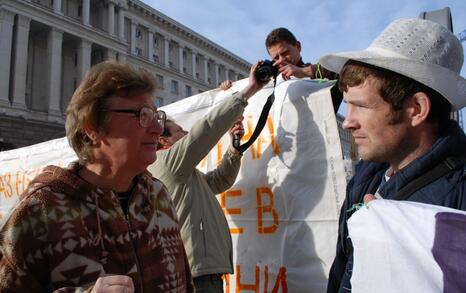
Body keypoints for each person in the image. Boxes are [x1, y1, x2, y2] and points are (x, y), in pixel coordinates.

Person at [0, 61, 194, 292]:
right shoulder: (39, 211)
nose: (157, 128)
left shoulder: (159, 194)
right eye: (143, 115)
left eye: (156, 116)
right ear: (93, 127)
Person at [318, 18, 466, 293]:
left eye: (361, 106)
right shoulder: (365, 178)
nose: (348, 122)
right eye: (348, 106)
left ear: (416, 109)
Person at [148, 62, 267, 292]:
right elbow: (207, 128)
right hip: (195, 275)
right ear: (163, 141)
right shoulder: (166, 163)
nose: (185, 134)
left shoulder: (183, 173)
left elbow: (218, 181)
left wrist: (234, 148)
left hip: (200, 271)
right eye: (179, 131)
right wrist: (249, 91)